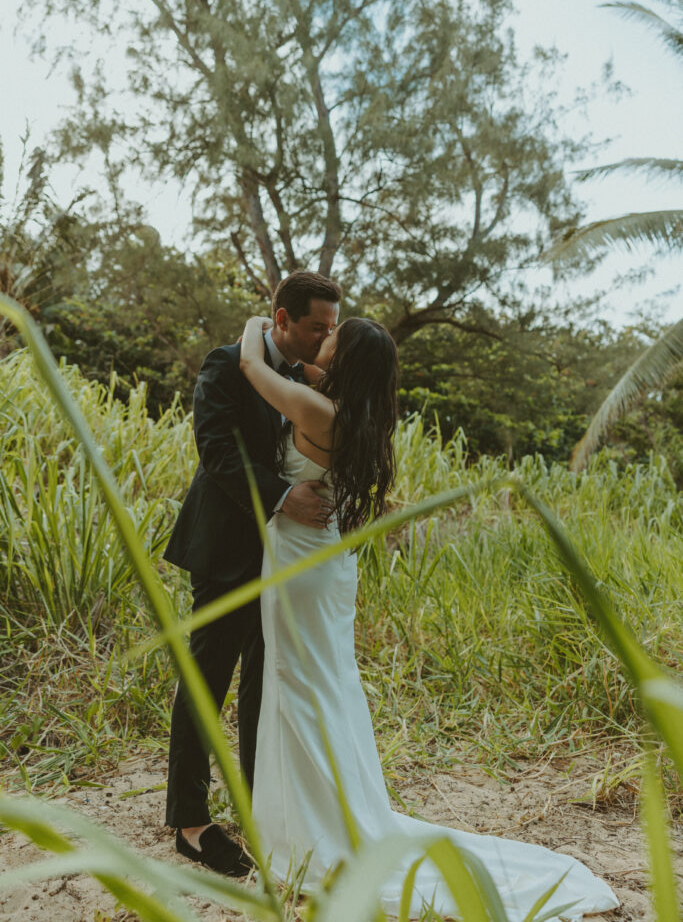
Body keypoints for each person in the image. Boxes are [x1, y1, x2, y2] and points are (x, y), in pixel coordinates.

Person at [239, 314, 619, 920]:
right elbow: (301, 370)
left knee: (301, 688)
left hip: (300, 570)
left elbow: (252, 366)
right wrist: (307, 353)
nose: (323, 342)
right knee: (323, 686)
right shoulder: (354, 411)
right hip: (324, 565)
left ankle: (309, 833)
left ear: (345, 362)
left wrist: (262, 320)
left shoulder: (320, 412)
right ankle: (310, 816)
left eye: (332, 339)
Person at [163, 271, 341, 875]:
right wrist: (283, 496)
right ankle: (190, 823)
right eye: (316, 325)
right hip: (225, 553)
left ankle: (261, 807)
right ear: (282, 319)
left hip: (281, 561)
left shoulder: (295, 376)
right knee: (205, 683)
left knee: (266, 685)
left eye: (331, 328)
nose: (325, 336)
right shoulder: (223, 365)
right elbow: (215, 453)